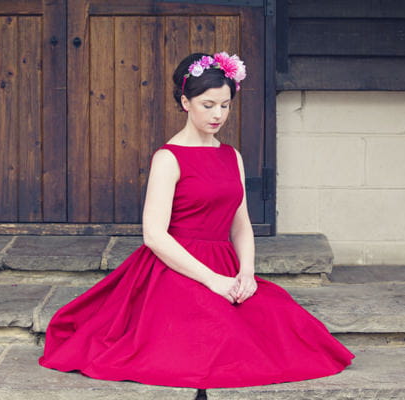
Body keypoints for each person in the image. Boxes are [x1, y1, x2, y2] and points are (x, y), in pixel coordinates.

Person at [38, 52, 355, 389]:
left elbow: (241, 224)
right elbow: (154, 236)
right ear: (186, 102)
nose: (218, 114)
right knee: (211, 339)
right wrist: (212, 280)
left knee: (282, 321)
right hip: (174, 266)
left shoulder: (231, 155)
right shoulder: (169, 158)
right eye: (208, 104)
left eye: (225, 105)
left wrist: (245, 272)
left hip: (225, 262)